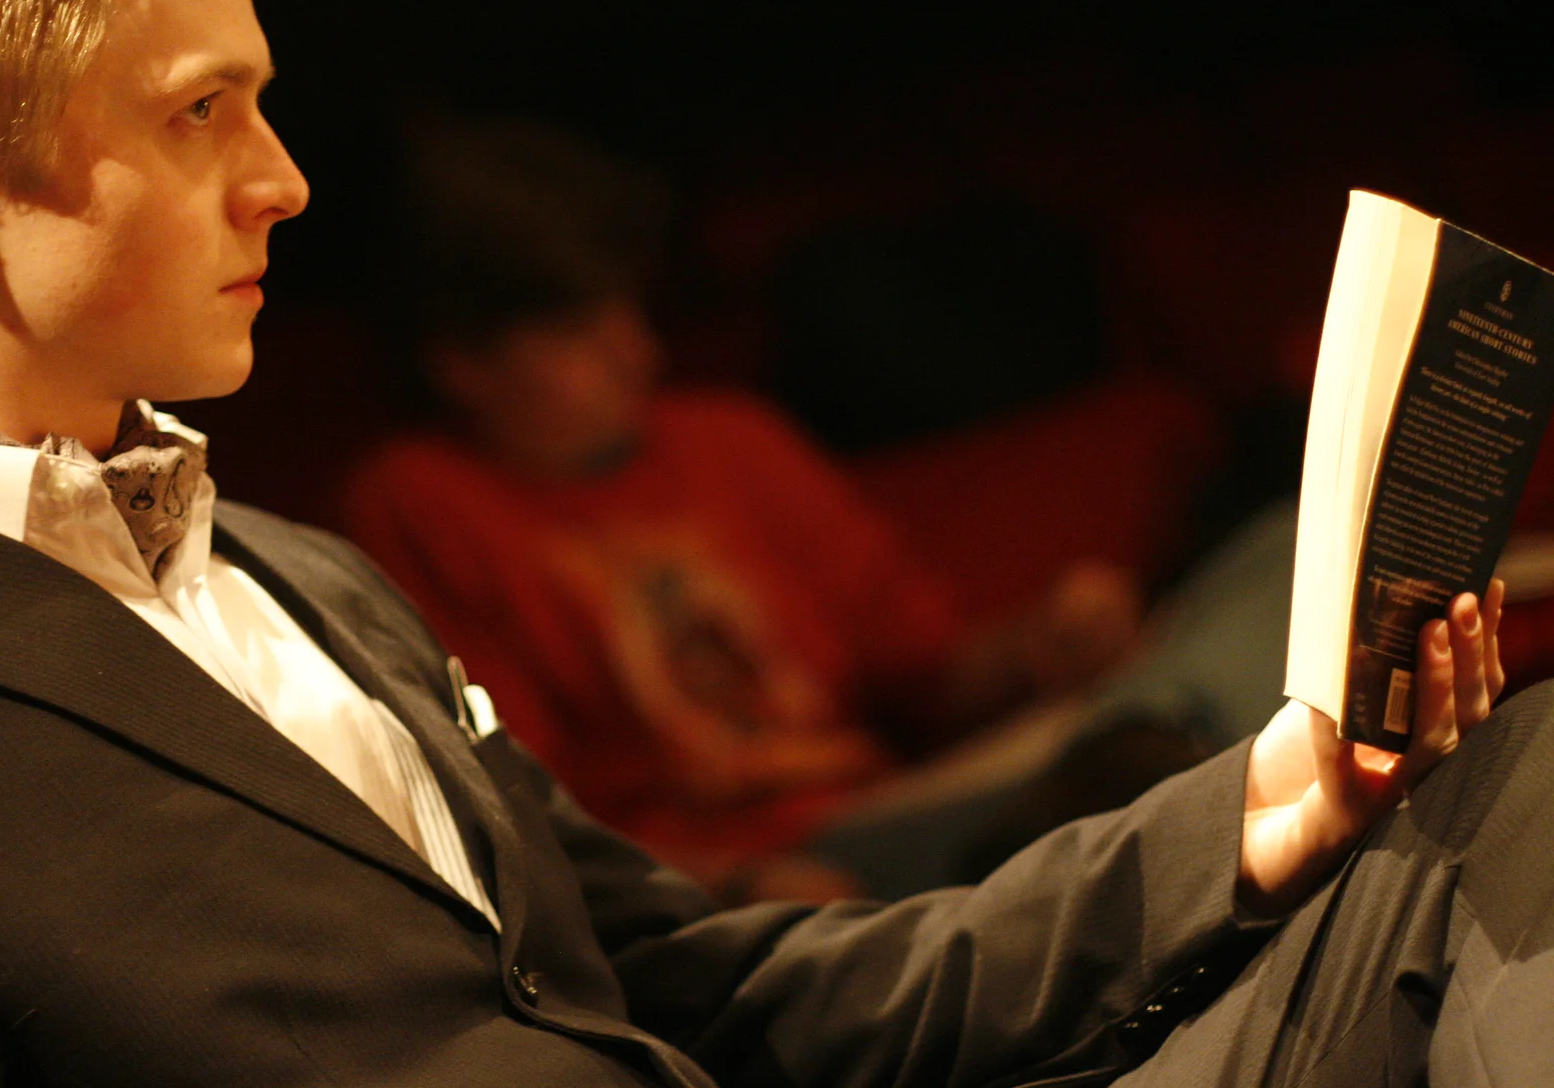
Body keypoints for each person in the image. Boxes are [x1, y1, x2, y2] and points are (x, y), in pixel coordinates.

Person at [0, 0, 1518, 1086]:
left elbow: (729, 995)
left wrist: (1255, 814)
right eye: (202, 110)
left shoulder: (301, 576)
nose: (284, 178)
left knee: (1515, 787)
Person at [346, 117, 1146, 895]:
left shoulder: (730, 439)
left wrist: (1041, 646)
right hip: (744, 885)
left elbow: (925, 668)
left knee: (1192, 657)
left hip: (894, 816)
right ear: (462, 364)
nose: (638, 352)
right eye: (578, 331)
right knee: (1144, 770)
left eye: (631, 309)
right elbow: (512, 815)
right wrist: (729, 885)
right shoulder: (421, 503)